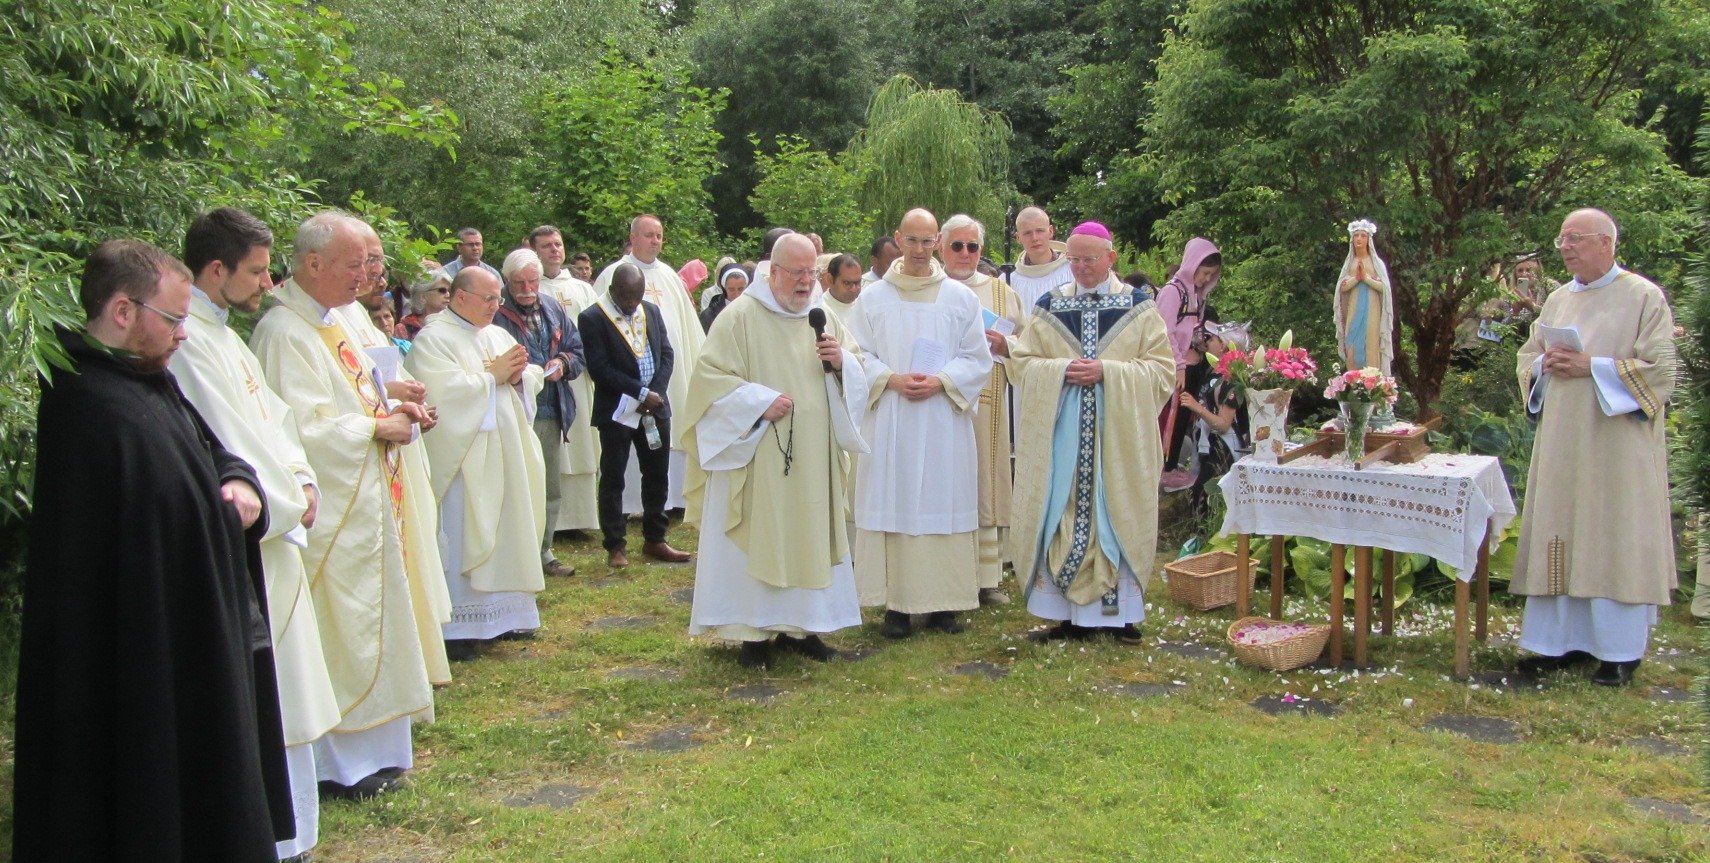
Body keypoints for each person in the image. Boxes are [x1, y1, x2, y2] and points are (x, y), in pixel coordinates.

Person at [16, 239, 293, 861]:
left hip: (186, 627)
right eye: (173, 319)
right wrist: (215, 517)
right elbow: (134, 529)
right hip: (136, 647)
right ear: (121, 311)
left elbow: (212, 450)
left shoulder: (149, 382)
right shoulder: (87, 402)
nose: (183, 336)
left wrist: (240, 481)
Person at [250, 212, 438, 802]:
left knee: (376, 616)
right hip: (333, 508)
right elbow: (300, 428)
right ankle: (340, 760)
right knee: (342, 626)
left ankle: (379, 747)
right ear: (312, 264)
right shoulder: (284, 332)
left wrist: (396, 398)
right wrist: (376, 428)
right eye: (355, 264)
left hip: (371, 499)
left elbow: (359, 384)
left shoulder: (337, 317)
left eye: (369, 263)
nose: (367, 276)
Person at [173, 208, 342, 862]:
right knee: (268, 689)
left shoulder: (226, 335)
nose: (266, 282)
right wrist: (285, 502)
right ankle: (273, 832)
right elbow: (230, 442)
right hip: (250, 542)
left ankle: (293, 828)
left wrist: (302, 478)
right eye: (254, 269)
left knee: (289, 686)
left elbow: (275, 420)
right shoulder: (189, 342)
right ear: (215, 270)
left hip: (279, 523)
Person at [682, 233, 870, 668]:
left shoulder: (822, 316)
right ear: (774, 272)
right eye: (797, 273)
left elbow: (857, 367)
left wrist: (842, 363)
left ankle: (806, 627)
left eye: (811, 272)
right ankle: (755, 632)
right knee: (763, 532)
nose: (806, 282)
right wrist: (757, 402)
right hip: (761, 453)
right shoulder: (740, 317)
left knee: (809, 530)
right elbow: (708, 382)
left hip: (814, 454)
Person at [1512, 208, 1677, 687]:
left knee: (1613, 534)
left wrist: (1593, 367)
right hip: (1563, 439)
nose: (1564, 246)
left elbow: (1660, 371)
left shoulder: (1643, 296)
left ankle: (1619, 651)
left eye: (1575, 238)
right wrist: (1544, 364)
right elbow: (1528, 357)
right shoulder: (1559, 299)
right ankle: (1555, 644)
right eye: (1561, 238)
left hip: (1615, 444)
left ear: (1606, 242)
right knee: (1560, 532)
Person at [1009, 222, 1175, 644]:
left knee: (1114, 512)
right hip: (1063, 439)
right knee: (1061, 510)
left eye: (1090, 259)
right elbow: (1023, 364)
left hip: (1117, 441)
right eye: (1075, 259)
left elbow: (1161, 371)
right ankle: (1063, 615)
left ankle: (1120, 616)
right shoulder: (1049, 308)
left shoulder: (1139, 309)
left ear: (1111, 258)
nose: (1081, 267)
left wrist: (1108, 372)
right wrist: (1062, 370)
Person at [846, 208, 994, 637]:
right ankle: (895, 605)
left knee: (941, 501)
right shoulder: (873, 299)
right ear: (898, 239)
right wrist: (889, 378)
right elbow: (857, 355)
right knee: (897, 498)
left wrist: (943, 381)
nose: (919, 250)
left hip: (941, 415)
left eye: (927, 241)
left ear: (938, 244)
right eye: (911, 240)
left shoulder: (959, 299)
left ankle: (944, 603)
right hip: (892, 414)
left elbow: (976, 358)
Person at [406, 266, 549, 654]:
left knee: (511, 526)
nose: (495, 306)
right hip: (465, 458)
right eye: (488, 299)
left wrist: (520, 376)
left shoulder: (497, 334)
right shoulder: (434, 339)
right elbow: (441, 392)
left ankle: (510, 617)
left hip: (507, 451)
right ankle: (459, 629)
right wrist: (491, 377)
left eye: (498, 298)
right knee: (465, 529)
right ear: (460, 297)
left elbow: (530, 373)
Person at [939, 214, 1027, 606]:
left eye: (972, 246)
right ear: (941, 247)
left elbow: (1027, 343)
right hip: (938, 402)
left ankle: (985, 579)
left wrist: (1005, 347)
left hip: (987, 405)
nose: (965, 253)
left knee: (985, 482)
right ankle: (943, 574)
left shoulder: (999, 292)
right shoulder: (928, 289)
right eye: (956, 245)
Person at [592, 214, 707, 513]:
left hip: (666, 378)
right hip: (624, 384)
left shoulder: (669, 276)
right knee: (621, 456)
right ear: (632, 238)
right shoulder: (614, 274)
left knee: (665, 440)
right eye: (648, 235)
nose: (655, 241)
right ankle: (630, 506)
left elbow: (687, 327)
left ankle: (671, 502)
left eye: (658, 235)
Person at [581, 262, 692, 567]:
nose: (632, 303)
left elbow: (666, 354)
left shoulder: (651, 312)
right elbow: (599, 368)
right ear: (613, 290)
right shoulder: (593, 317)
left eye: (637, 296)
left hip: (655, 407)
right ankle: (615, 545)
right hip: (618, 409)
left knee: (657, 473)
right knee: (614, 476)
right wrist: (640, 393)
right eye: (626, 297)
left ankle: (655, 539)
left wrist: (654, 392)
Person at [493, 247, 586, 577]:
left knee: (548, 483)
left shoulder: (551, 307)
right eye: (519, 282)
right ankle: (513, 552)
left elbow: (576, 350)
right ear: (507, 280)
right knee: (512, 483)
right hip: (511, 411)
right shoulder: (495, 313)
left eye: (533, 281)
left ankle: (544, 550)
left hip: (549, 408)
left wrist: (562, 363)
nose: (528, 289)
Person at [529, 225, 602, 538]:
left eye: (557, 244)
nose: (554, 250)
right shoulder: (530, 287)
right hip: (543, 381)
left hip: (578, 375)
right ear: (533, 250)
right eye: (546, 246)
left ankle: (580, 516)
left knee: (582, 444)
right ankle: (550, 521)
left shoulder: (583, 288)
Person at [1155, 237, 1222, 488]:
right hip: (1174, 368)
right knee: (1168, 419)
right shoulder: (1173, 292)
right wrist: (1179, 366)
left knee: (1183, 418)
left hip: (1192, 365)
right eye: (1204, 273)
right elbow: (1164, 331)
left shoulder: (1196, 296)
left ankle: (1171, 466)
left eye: (1211, 275)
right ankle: (1161, 468)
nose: (1206, 279)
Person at [1178, 321, 1251, 521]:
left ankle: (1205, 540)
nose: (1207, 342)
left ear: (1224, 346)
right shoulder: (1214, 373)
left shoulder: (1231, 380)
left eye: (1212, 339)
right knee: (1200, 495)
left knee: (1202, 496)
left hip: (1224, 448)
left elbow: (1223, 424)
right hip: (1210, 446)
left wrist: (1196, 407)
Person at [1334, 219, 1394, 375]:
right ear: (1352, 239)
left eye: (1363, 236)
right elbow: (1342, 287)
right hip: (1353, 308)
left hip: (1372, 309)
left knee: (1371, 343)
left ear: (1369, 240)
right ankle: (1354, 380)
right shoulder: (1350, 263)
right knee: (1351, 341)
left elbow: (1385, 289)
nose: (1359, 239)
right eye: (1356, 236)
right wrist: (1356, 279)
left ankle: (1372, 382)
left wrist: (1367, 279)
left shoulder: (1376, 263)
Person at [1003, 206, 1073, 308]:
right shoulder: (1008, 279)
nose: (1034, 238)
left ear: (1051, 231)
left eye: (1040, 231)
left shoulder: (1072, 271)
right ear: (1018, 238)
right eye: (1027, 233)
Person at [401, 271, 451, 338]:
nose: (448, 295)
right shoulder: (404, 329)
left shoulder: (455, 324)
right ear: (423, 297)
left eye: (450, 290)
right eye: (442, 290)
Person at [700, 261, 749, 331]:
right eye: (731, 290)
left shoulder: (754, 311)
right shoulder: (709, 316)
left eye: (741, 289)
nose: (736, 294)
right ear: (724, 287)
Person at [819, 253, 863, 318]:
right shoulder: (819, 310)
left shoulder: (866, 306)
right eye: (847, 283)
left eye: (857, 282)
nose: (854, 289)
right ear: (830, 280)